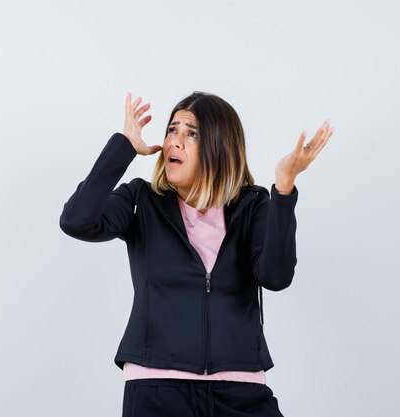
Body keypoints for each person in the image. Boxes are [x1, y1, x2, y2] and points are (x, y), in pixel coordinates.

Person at [60, 91, 334, 417]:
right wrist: (123, 146)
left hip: (241, 388)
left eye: (191, 133)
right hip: (156, 389)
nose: (175, 141)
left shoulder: (253, 204)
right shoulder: (141, 200)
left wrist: (284, 187)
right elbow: (76, 221)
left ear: (220, 146)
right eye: (172, 130)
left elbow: (276, 276)